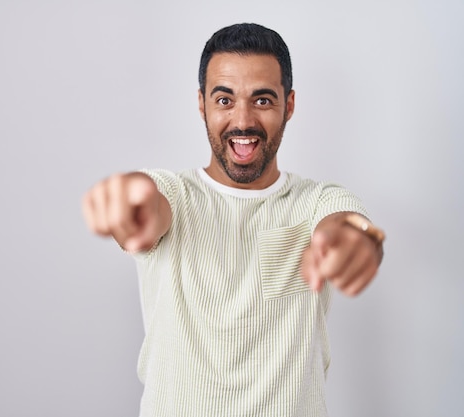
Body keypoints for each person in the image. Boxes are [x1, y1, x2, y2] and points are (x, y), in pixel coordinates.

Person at [82, 22, 385, 417]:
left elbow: (344, 223)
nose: (243, 122)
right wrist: (128, 202)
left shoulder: (317, 201)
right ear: (202, 103)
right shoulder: (173, 193)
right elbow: (148, 202)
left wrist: (356, 240)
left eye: (262, 101)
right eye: (225, 100)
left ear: (288, 105)